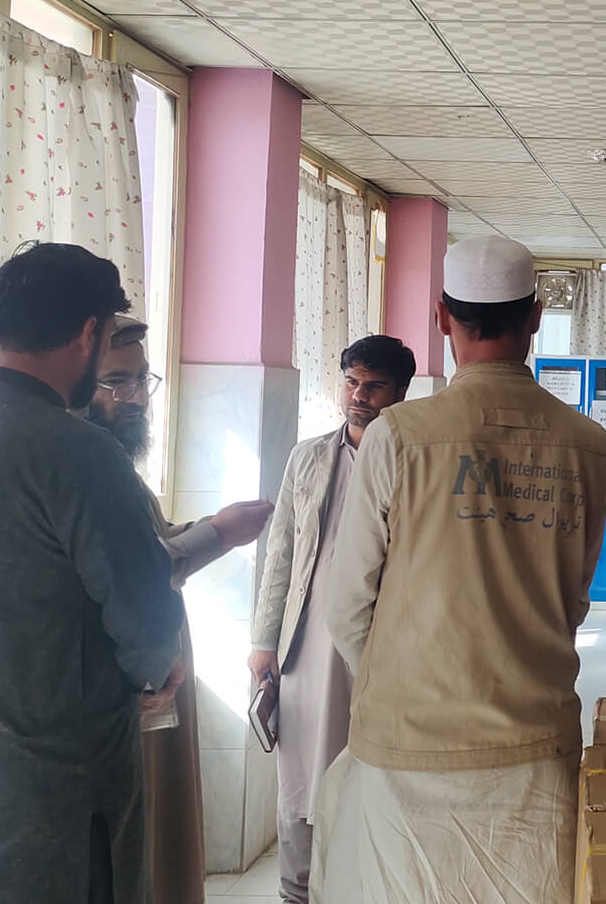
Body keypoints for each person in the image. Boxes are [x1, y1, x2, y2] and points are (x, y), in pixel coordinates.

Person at [312, 235, 606, 904]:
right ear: (535, 316)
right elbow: (572, 600)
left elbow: (347, 605)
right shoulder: (589, 447)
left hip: (404, 758)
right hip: (533, 755)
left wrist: (406, 684)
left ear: (442, 316)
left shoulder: (398, 437)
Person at [0, 243, 184, 904]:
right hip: (53, 800)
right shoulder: (79, 452)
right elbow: (146, 625)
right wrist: (158, 666)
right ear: (90, 332)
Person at [81, 314, 275, 904]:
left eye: (143, 380)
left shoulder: (113, 464)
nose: (135, 397)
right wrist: (218, 532)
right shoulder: (76, 464)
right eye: (116, 383)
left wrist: (217, 530)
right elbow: (139, 570)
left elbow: (152, 543)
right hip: (118, 688)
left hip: (154, 677)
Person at [249, 334, 416, 903]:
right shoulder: (309, 457)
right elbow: (281, 553)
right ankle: (297, 891)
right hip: (304, 644)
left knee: (367, 774)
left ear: (400, 392)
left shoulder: (412, 460)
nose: (359, 395)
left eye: (374, 386)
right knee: (301, 781)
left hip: (378, 648)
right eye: (351, 382)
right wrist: (262, 640)